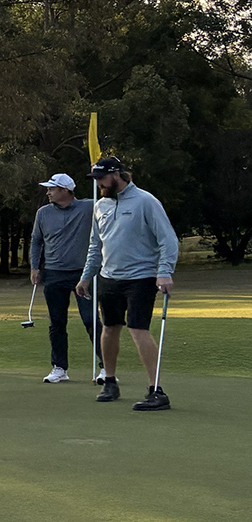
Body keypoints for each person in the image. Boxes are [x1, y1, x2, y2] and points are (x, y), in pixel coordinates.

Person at [75, 158, 178, 410]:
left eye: (102, 178)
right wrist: (86, 276)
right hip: (109, 277)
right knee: (109, 328)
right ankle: (110, 382)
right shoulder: (101, 206)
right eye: (96, 179)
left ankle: (156, 391)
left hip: (141, 277)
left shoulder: (145, 201)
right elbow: (95, 246)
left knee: (138, 328)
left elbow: (168, 240)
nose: (99, 184)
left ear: (117, 175)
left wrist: (164, 272)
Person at [28, 172, 96, 383]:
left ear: (66, 190)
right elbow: (36, 241)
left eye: (52, 189)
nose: (48, 193)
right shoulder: (43, 213)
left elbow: (111, 203)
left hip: (83, 274)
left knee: (91, 320)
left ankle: (106, 367)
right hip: (54, 273)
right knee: (57, 322)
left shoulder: (89, 206)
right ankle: (59, 368)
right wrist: (34, 267)